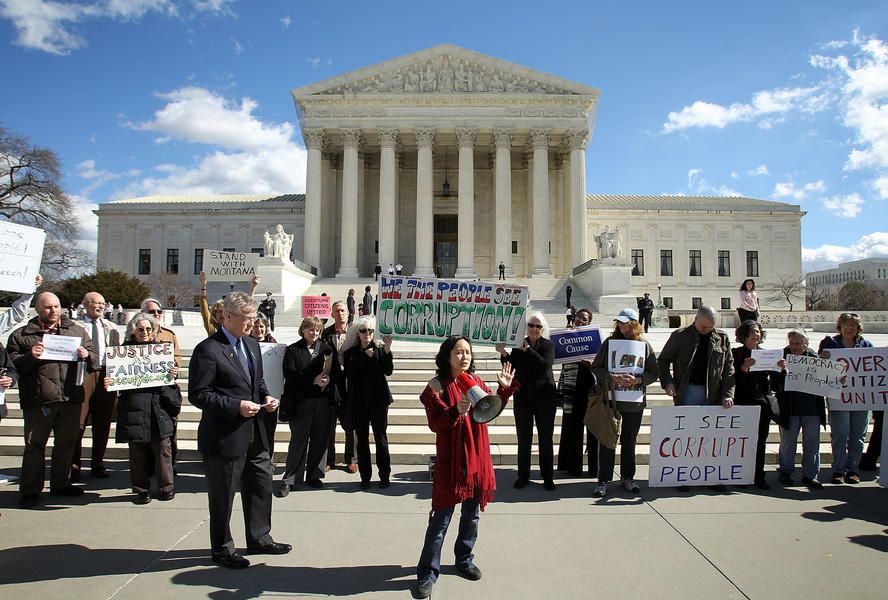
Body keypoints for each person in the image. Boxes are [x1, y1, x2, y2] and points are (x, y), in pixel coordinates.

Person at [188, 292, 289, 569]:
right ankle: (222, 548)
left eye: (253, 318)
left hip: (256, 431)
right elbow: (199, 394)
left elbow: (257, 382)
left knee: (259, 487)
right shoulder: (208, 349)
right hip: (225, 435)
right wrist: (236, 406)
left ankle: (259, 537)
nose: (251, 323)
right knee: (223, 496)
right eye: (246, 318)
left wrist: (267, 397)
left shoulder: (252, 345)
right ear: (227, 316)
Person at [411, 336, 515, 599]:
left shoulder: (476, 382)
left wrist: (503, 391)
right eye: (458, 352)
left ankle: (464, 559)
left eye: (467, 352)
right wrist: (456, 410)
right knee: (441, 521)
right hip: (452, 463)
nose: (464, 356)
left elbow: (488, 412)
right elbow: (436, 423)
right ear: (447, 356)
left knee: (472, 516)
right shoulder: (436, 386)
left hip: (477, 460)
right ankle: (427, 573)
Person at [7, 292, 97, 509]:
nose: (53, 311)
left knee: (66, 444)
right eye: (48, 307)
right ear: (37, 308)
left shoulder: (75, 330)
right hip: (39, 400)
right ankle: (30, 490)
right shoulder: (22, 335)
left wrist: (86, 355)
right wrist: (30, 356)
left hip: (70, 397)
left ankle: (61, 483)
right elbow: (12, 366)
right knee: (34, 446)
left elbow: (95, 358)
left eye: (56, 306)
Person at [657, 306, 735, 492]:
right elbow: (663, 360)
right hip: (688, 391)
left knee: (712, 438)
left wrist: (728, 394)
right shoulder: (680, 335)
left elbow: (729, 368)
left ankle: (712, 477)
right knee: (688, 436)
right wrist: (667, 383)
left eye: (711, 327)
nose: (708, 330)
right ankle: (684, 476)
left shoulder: (722, 338)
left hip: (714, 393)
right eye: (704, 326)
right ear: (696, 319)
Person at [110, 313, 181, 504]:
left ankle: (166, 487)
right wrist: (111, 381)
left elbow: (171, 388)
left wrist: (171, 375)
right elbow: (118, 383)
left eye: (148, 329)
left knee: (163, 450)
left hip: (158, 408)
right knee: (137, 452)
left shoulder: (161, 351)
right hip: (134, 408)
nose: (145, 332)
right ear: (133, 331)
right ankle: (141, 489)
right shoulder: (122, 353)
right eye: (140, 329)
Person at [589, 308, 659, 497]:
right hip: (610, 402)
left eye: (625, 323)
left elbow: (654, 372)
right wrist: (611, 376)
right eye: (619, 322)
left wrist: (638, 380)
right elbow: (596, 367)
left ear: (634, 324)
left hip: (634, 403)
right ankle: (603, 480)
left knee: (630, 441)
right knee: (607, 441)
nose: (621, 326)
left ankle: (628, 477)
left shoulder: (644, 346)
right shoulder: (609, 343)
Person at [496, 312, 557, 491]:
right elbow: (511, 366)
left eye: (538, 326)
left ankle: (547, 476)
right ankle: (523, 475)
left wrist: (528, 350)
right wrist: (504, 353)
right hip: (523, 396)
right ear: (526, 327)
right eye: (531, 325)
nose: (534, 329)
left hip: (545, 397)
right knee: (524, 437)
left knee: (545, 437)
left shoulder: (548, 345)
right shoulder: (518, 344)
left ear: (543, 328)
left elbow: (545, 365)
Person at [276, 316, 334, 496]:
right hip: (301, 402)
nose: (314, 333)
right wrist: (312, 380)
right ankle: (290, 479)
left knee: (320, 439)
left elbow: (336, 370)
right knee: (298, 441)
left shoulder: (325, 348)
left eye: (317, 330)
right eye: (311, 329)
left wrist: (328, 379)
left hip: (322, 401)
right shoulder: (293, 349)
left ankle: (314, 475)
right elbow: (290, 374)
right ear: (303, 330)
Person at [819, 312, 874, 485]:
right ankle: (838, 470)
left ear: (858, 328)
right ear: (840, 327)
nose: (849, 329)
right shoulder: (829, 344)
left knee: (858, 435)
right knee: (840, 434)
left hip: (861, 398)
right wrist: (822, 359)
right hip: (838, 397)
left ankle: (853, 469)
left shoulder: (867, 345)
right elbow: (820, 369)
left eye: (853, 325)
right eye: (846, 325)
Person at [72, 291, 120, 481]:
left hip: (106, 375)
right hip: (84, 374)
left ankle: (98, 462)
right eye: (95, 303)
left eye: (102, 303)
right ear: (85, 304)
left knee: (103, 422)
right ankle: (74, 463)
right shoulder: (75, 326)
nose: (99, 306)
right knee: (78, 421)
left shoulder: (112, 327)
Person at [343, 316, 394, 489]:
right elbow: (350, 374)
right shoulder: (351, 353)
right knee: (362, 441)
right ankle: (365, 477)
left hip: (379, 401)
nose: (367, 334)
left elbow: (388, 371)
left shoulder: (379, 349)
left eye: (371, 331)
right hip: (359, 402)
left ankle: (384, 476)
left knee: (381, 439)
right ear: (358, 333)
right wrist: (364, 357)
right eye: (364, 331)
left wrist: (387, 350)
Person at [733, 320, 783, 490]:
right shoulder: (736, 353)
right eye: (753, 332)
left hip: (762, 404)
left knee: (761, 441)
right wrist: (744, 368)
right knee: (742, 442)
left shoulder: (767, 354)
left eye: (758, 332)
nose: (756, 335)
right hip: (742, 402)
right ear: (744, 334)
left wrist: (781, 369)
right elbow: (731, 380)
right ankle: (740, 475)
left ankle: (758, 475)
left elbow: (775, 383)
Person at [774, 329, 825, 489]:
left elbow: (826, 381)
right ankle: (786, 471)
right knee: (788, 442)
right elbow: (774, 384)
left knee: (812, 442)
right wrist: (780, 371)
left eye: (797, 343)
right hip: (790, 407)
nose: (794, 346)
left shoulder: (815, 359)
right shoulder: (781, 357)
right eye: (791, 343)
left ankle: (810, 475)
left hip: (811, 408)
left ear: (806, 344)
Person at [556, 308, 599, 478]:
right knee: (573, 428)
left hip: (590, 389)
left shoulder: (595, 339)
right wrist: (565, 336)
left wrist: (592, 363)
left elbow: (601, 362)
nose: (581, 321)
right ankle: (573, 467)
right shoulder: (566, 336)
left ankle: (594, 469)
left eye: (585, 320)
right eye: (579, 318)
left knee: (593, 430)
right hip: (572, 387)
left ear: (589, 323)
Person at [141, 297, 183, 468]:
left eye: (159, 311)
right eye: (152, 312)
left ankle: (170, 465)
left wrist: (175, 368)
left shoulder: (169, 335)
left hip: (166, 391)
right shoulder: (136, 333)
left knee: (169, 430)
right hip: (143, 391)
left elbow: (177, 357)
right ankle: (149, 466)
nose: (157, 314)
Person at [323, 301, 357, 474]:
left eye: (343, 310)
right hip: (332, 383)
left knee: (351, 423)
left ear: (348, 313)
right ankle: (329, 459)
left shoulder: (356, 332)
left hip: (350, 384)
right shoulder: (325, 333)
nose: (340, 313)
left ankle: (351, 459)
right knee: (330, 424)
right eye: (337, 311)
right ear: (332, 314)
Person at [198, 272, 260, 337]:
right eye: (218, 311)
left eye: (222, 310)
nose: (222, 314)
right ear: (214, 315)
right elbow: (203, 306)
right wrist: (203, 285)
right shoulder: (212, 329)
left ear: (228, 313)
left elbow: (248, 307)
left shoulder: (238, 328)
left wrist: (253, 286)